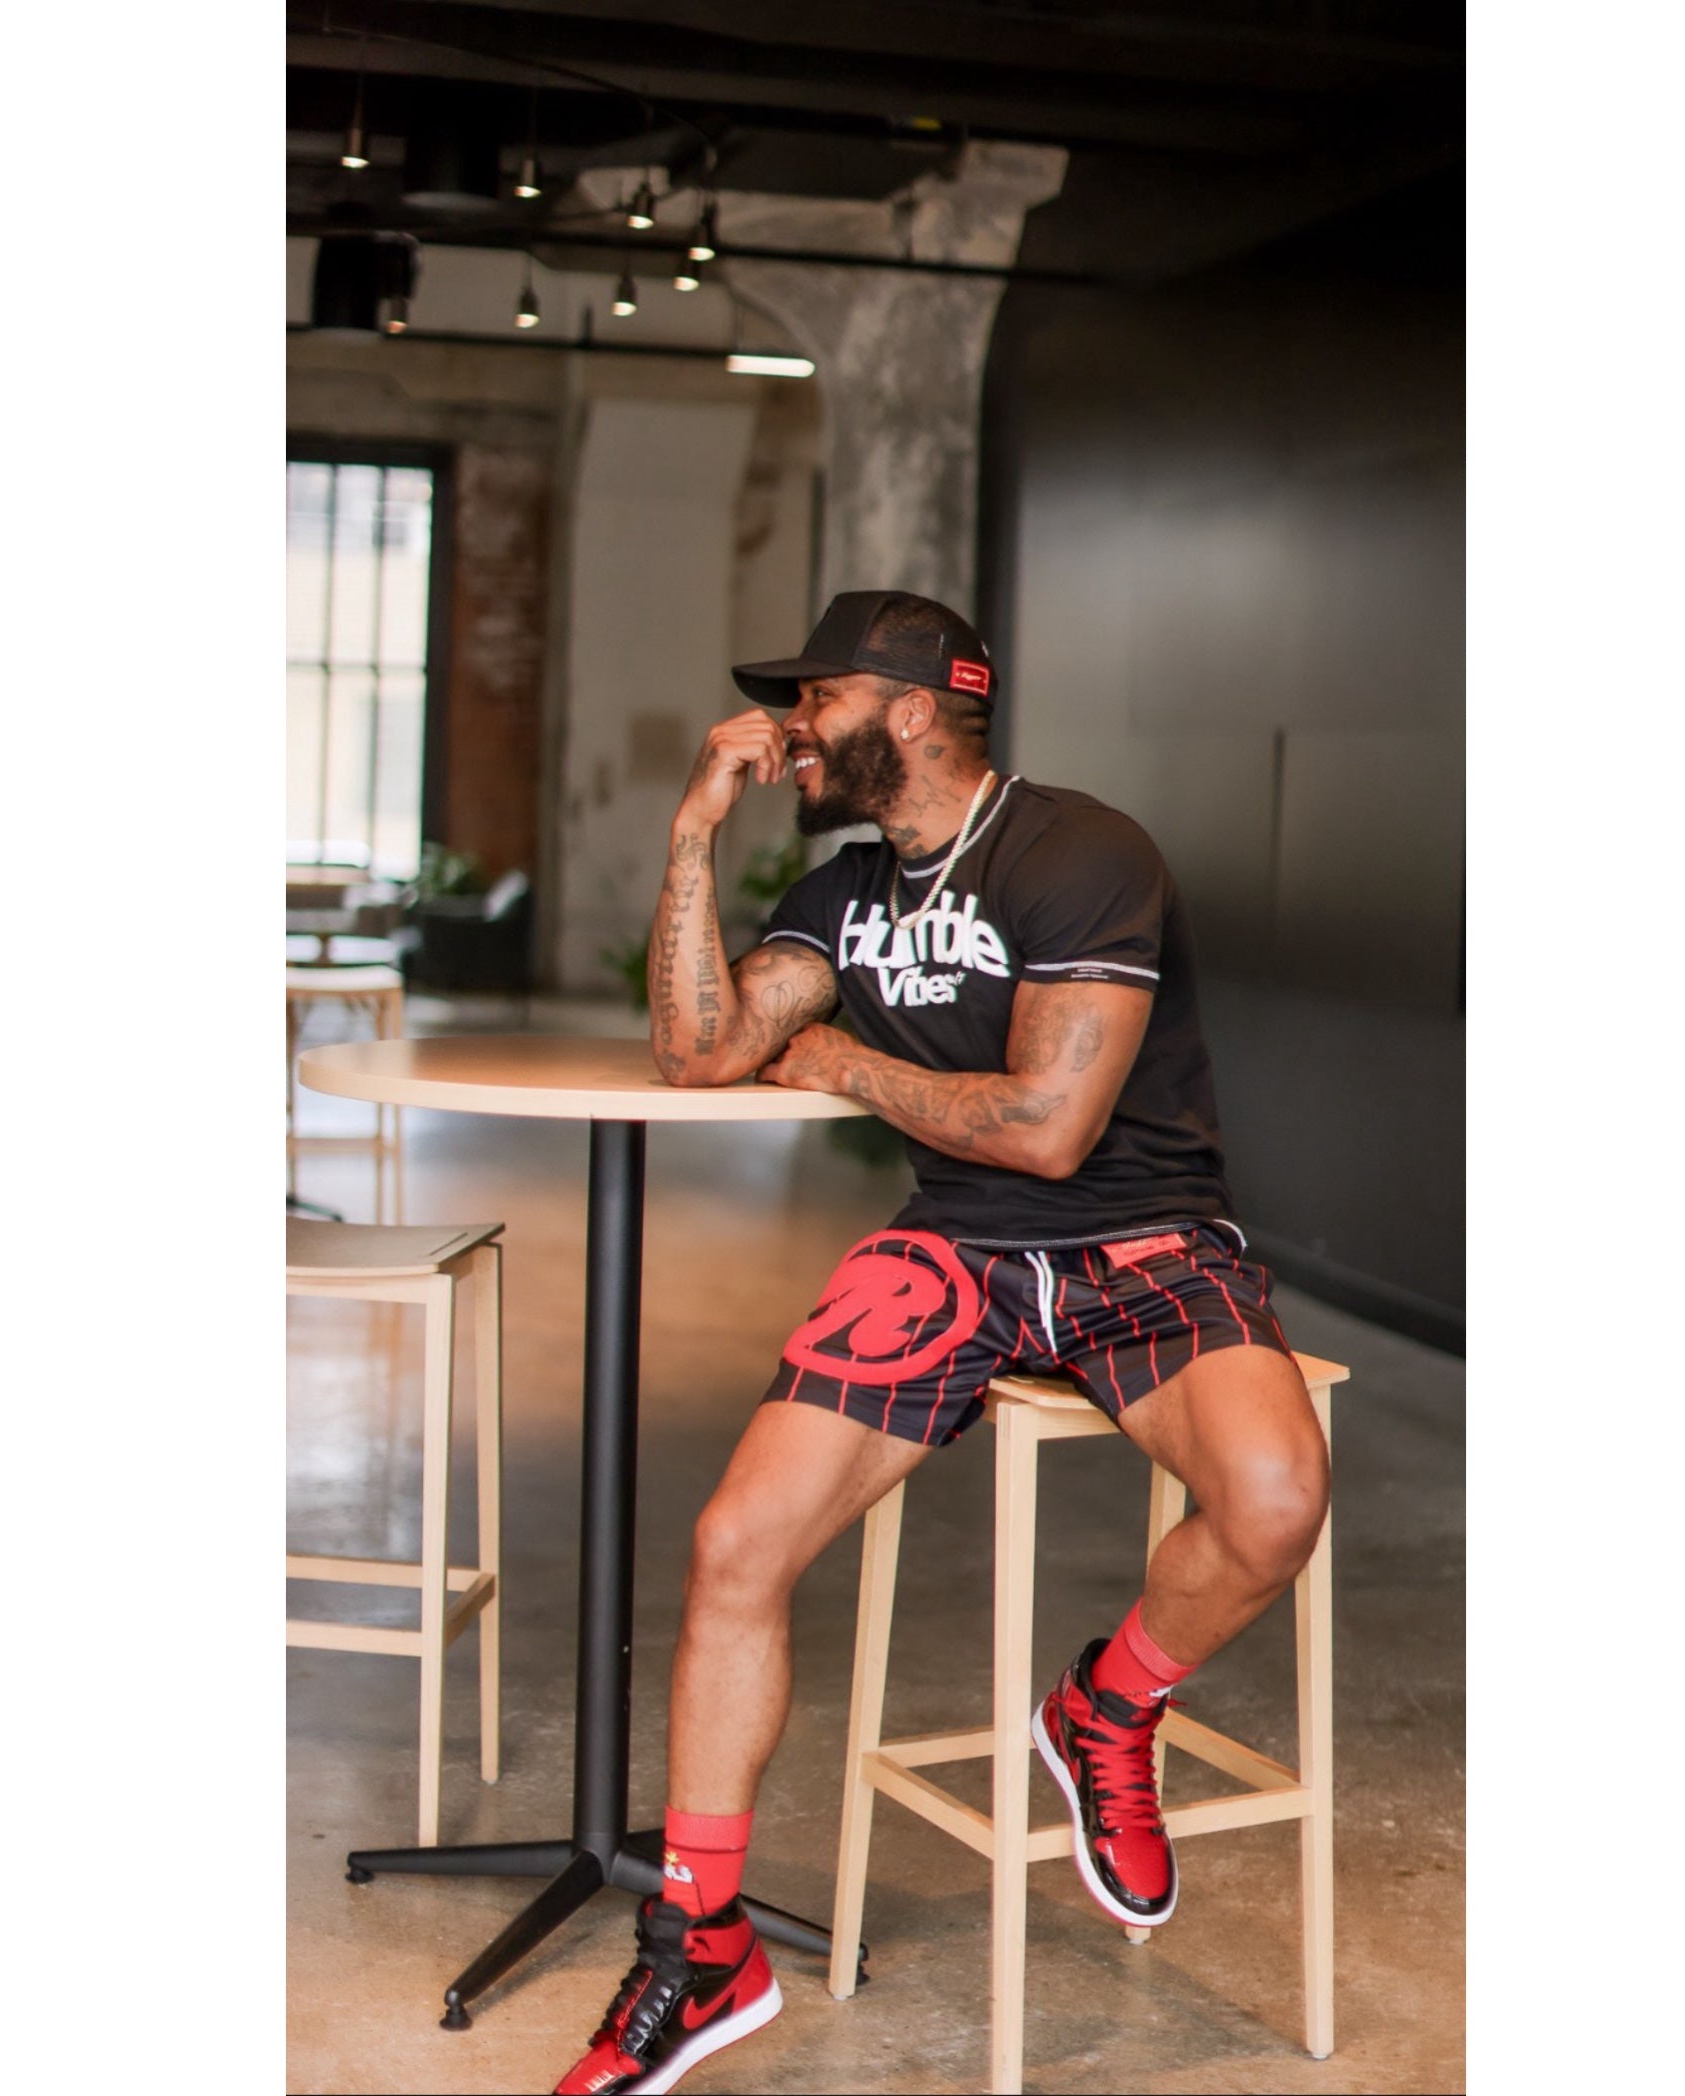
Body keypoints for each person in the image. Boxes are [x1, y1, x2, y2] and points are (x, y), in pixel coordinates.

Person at [553, 591, 1329, 2096]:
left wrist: (846, 1061)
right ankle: (701, 1944)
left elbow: (1047, 1132)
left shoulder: (1081, 853)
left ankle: (1106, 1707)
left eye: (815, 700)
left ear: (910, 711)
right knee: (733, 1546)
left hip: (1140, 1242)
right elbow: (702, 1051)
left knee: (1275, 1500)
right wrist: (693, 834)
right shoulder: (843, 892)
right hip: (954, 1253)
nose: (788, 729)